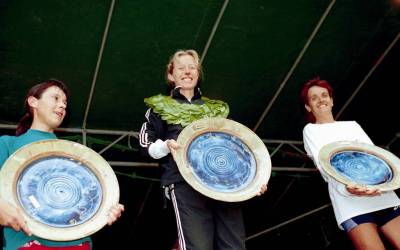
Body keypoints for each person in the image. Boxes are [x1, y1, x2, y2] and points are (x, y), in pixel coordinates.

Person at [139, 49, 267, 250]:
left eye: (192, 67)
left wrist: (254, 179)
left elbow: (238, 148)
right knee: (198, 246)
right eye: (181, 68)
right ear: (171, 75)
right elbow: (145, 145)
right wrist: (166, 146)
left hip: (225, 185)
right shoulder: (158, 107)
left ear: (198, 74)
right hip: (184, 182)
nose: (187, 71)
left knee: (234, 246)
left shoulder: (217, 109)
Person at [0, 79, 124, 250]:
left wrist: (105, 210)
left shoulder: (75, 155)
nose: (62, 106)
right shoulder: (7, 144)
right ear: (33, 101)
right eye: (56, 98)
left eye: (65, 102)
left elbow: (89, 200)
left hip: (78, 243)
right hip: (27, 242)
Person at [301, 77, 400, 249]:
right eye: (314, 98)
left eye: (324, 95)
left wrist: (380, 185)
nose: (321, 100)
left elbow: (374, 157)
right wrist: (348, 188)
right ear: (308, 107)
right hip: (350, 204)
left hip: (382, 197)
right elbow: (324, 165)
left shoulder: (352, 125)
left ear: (331, 101)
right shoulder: (310, 130)